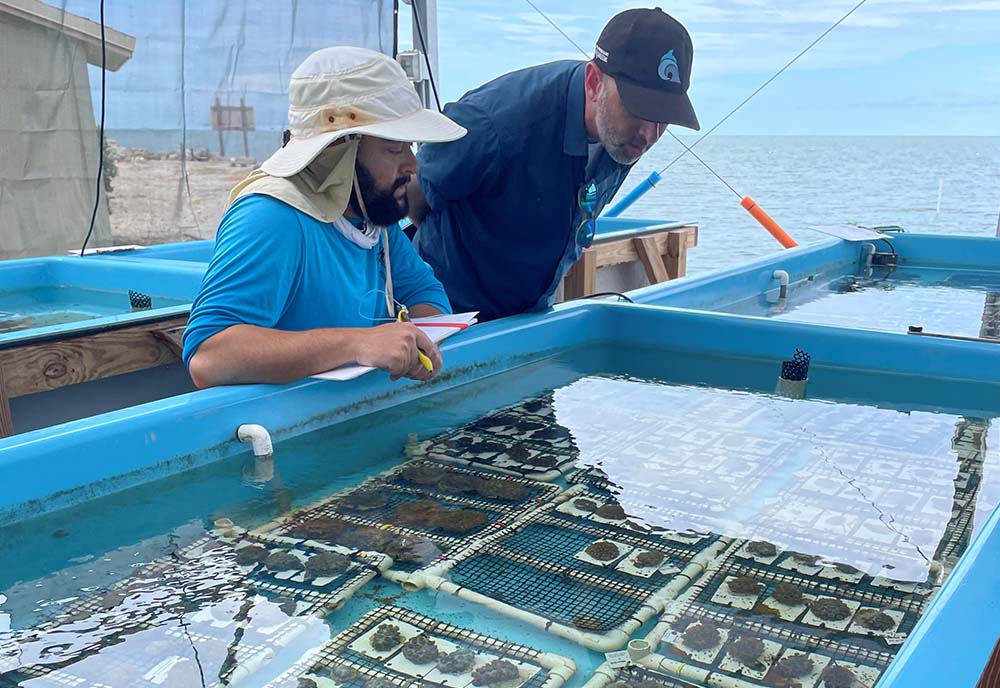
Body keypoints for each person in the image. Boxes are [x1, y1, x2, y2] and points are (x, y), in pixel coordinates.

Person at [182, 47, 466, 388]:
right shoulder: (271, 216)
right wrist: (357, 343)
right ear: (340, 149)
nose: (412, 165)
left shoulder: (371, 217)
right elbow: (210, 356)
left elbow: (424, 291)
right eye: (394, 149)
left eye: (410, 147)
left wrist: (418, 346)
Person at [407, 8, 700, 321]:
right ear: (593, 82)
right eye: (637, 109)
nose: (649, 134)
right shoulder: (496, 122)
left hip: (531, 315)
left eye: (663, 116)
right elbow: (413, 193)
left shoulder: (626, 135)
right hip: (447, 316)